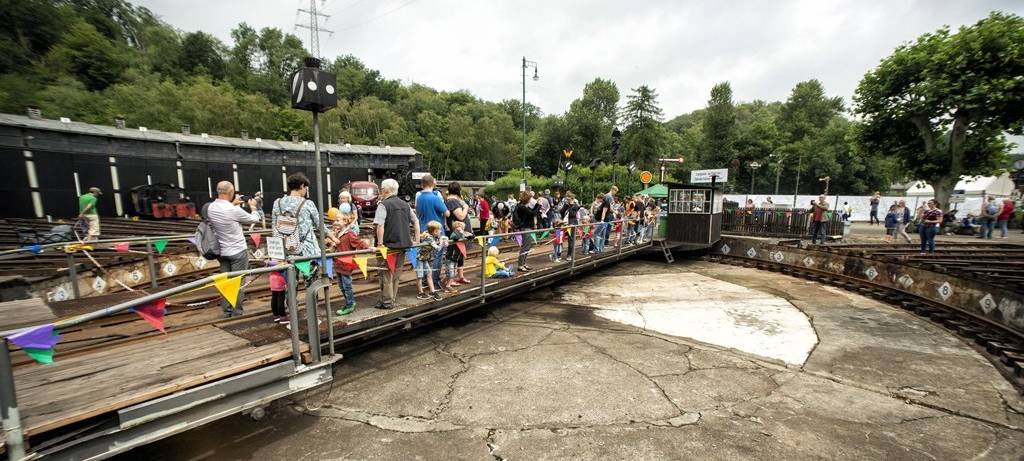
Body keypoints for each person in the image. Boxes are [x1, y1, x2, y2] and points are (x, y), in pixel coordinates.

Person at [207, 181, 260, 317]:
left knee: (226, 283)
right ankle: (237, 312)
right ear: (230, 193)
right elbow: (254, 219)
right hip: (237, 252)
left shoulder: (211, 207)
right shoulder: (234, 210)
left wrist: (232, 204)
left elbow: (226, 212)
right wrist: (253, 207)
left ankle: (227, 311)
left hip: (221, 252)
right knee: (238, 283)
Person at [373, 178, 419, 309]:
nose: (381, 192)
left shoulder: (383, 205)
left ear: (386, 190)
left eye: (381, 189)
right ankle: (390, 299)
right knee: (396, 274)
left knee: (386, 274)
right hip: (404, 244)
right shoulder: (405, 204)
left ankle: (387, 302)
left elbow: (380, 225)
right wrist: (416, 239)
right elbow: (415, 221)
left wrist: (380, 244)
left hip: (388, 246)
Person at [272, 173, 322, 280]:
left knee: (290, 286)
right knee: (311, 285)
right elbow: (319, 225)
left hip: (287, 250)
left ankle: (290, 297)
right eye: (306, 187)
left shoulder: (278, 203)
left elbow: (274, 227)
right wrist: (332, 237)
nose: (306, 190)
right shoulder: (308, 203)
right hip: (307, 250)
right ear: (302, 185)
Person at [327, 213, 368, 315]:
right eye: (334, 221)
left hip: (346, 264)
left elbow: (358, 242)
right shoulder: (337, 234)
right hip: (338, 264)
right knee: (341, 286)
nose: (335, 222)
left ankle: (350, 304)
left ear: (345, 222)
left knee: (347, 285)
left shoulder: (349, 234)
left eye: (338, 220)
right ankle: (349, 302)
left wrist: (368, 247)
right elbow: (331, 246)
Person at [415, 174, 450, 291]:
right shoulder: (435, 198)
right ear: (433, 183)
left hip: (423, 230)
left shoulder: (419, 197)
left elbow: (418, 213)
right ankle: (435, 280)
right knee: (437, 256)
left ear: (422, 184)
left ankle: (425, 279)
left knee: (425, 256)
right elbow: (447, 213)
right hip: (436, 231)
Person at [415, 221, 443, 301]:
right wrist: (442, 243)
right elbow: (437, 248)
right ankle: (420, 293)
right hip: (419, 258)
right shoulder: (429, 237)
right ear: (434, 231)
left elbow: (438, 239)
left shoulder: (432, 235)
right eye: (439, 230)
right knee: (420, 276)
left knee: (429, 274)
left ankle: (432, 291)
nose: (440, 231)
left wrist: (442, 239)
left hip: (425, 258)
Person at [512, 191, 538, 271]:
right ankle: (520, 265)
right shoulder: (522, 207)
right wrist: (539, 205)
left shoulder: (523, 206)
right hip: (525, 227)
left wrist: (537, 205)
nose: (531, 199)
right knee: (525, 246)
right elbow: (532, 213)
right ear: (527, 198)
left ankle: (523, 263)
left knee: (527, 246)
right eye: (530, 198)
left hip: (527, 227)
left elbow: (531, 212)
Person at [444, 221, 472, 290]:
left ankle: (447, 281)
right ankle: (448, 283)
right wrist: (461, 234)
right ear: (455, 229)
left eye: (461, 228)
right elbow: (455, 238)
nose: (459, 230)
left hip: (459, 254)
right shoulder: (454, 234)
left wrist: (465, 234)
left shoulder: (463, 233)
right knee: (451, 272)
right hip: (452, 256)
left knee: (454, 271)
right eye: (457, 229)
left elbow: (472, 236)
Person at [560, 191, 581, 261]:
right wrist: (566, 205)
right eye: (566, 199)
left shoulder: (575, 206)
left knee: (570, 240)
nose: (567, 200)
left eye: (568, 199)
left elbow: (572, 214)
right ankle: (558, 254)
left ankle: (569, 255)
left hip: (572, 224)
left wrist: (571, 205)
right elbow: (561, 212)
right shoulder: (566, 204)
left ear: (572, 198)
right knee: (559, 239)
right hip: (565, 224)